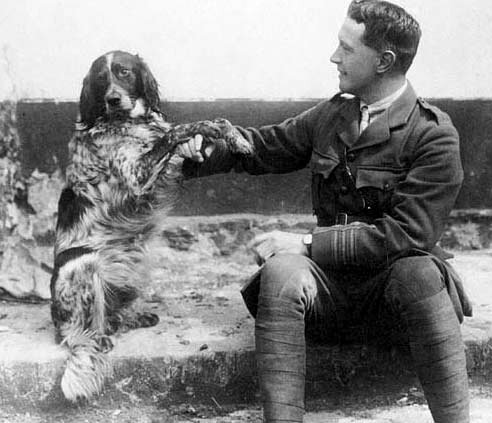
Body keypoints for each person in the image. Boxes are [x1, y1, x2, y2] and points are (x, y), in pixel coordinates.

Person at [176, 1, 472, 422]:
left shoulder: (433, 134)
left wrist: (304, 243)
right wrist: (200, 147)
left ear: (384, 61)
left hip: (394, 301)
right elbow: (263, 147)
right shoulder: (334, 114)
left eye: (347, 49)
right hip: (329, 292)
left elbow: (406, 235)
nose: (335, 57)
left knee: (420, 271)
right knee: (280, 273)